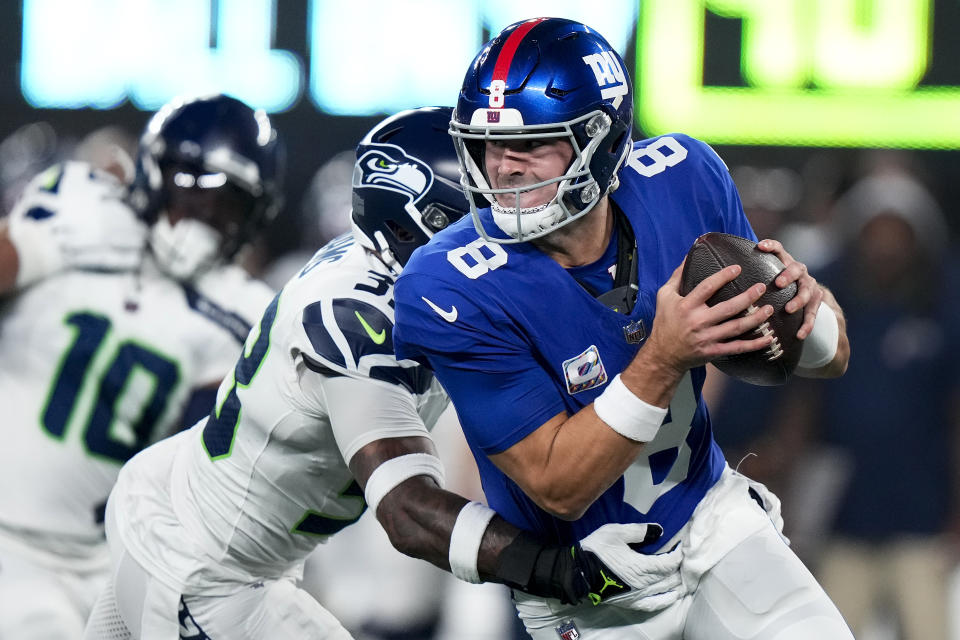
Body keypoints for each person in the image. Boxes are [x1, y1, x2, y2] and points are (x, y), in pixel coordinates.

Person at [82, 107, 685, 640]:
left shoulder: (408, 275)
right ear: (411, 223)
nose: (509, 223)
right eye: (481, 210)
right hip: (207, 566)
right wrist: (561, 569)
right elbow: (409, 512)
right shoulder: (363, 318)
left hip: (196, 518)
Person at [392, 18, 854, 640]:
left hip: (710, 522)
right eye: (488, 145)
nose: (503, 167)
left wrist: (804, 307)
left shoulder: (683, 177)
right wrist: (663, 357)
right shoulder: (450, 283)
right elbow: (559, 486)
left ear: (601, 139)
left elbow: (831, 359)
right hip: (595, 586)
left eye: (532, 144)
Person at [0, 93, 280, 639]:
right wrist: (43, 242)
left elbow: (206, 473)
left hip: (107, 562)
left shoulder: (240, 313)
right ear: (154, 173)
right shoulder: (83, 209)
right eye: (190, 187)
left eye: (226, 205)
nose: (200, 215)